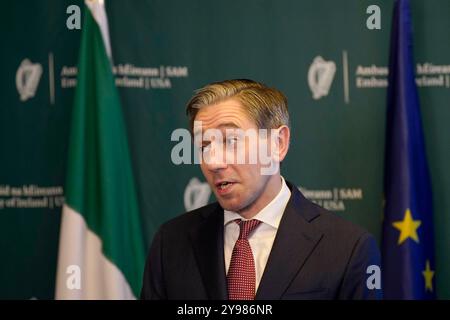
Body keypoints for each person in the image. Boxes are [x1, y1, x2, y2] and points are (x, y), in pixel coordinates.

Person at [140, 79, 382, 300]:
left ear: (278, 144)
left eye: (230, 141)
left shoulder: (348, 248)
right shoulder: (170, 242)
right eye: (204, 146)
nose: (213, 162)